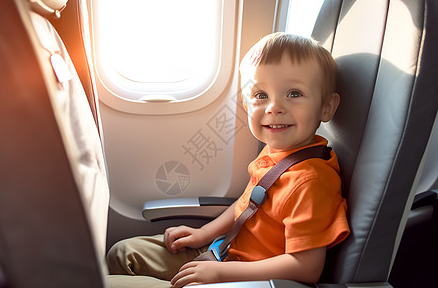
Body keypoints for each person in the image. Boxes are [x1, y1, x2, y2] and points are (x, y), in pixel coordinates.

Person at [106, 32, 350, 287]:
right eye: (261, 95)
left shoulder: (310, 183)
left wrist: (221, 274)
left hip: (247, 278)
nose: (274, 107)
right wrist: (203, 234)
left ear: (326, 107)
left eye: (294, 93)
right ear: (246, 103)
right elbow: (245, 205)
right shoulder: (275, 153)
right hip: (223, 253)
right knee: (123, 255)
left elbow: (306, 268)